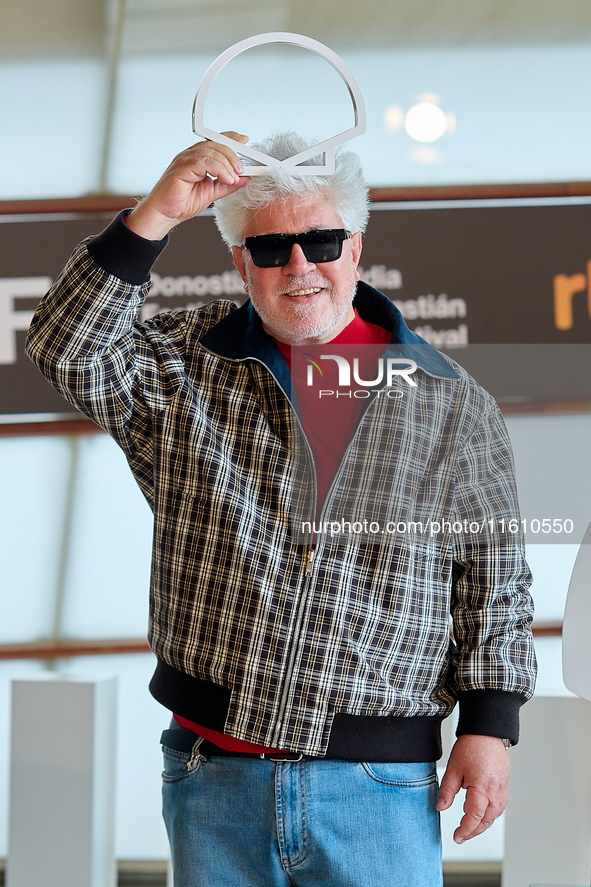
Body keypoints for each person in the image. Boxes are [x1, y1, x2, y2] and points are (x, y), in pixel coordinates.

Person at [27, 131, 537, 887]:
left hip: (381, 786)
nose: (299, 266)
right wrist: (155, 214)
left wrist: (489, 727)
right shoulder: (183, 363)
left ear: (354, 247)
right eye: (270, 249)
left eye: (321, 240)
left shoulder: (452, 402)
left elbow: (494, 582)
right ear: (241, 262)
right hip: (212, 776)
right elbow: (65, 350)